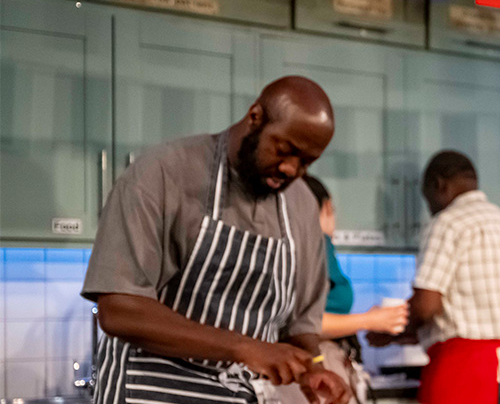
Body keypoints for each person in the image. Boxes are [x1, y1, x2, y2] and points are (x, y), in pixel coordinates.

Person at [82, 76, 350, 404]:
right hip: (147, 394)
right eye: (283, 150)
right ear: (255, 117)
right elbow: (119, 309)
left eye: (306, 162)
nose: (291, 169)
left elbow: (300, 328)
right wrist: (245, 347)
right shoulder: (164, 173)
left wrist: (314, 368)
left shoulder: (301, 204)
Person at [372, 151, 500, 404]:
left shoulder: (447, 223)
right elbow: (476, 313)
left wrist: (390, 329)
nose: (430, 209)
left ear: (439, 185)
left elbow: (427, 306)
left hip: (468, 371)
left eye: (427, 199)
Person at [270, 175, 409, 404]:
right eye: (332, 210)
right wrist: (369, 320)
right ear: (324, 207)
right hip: (315, 366)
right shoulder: (315, 244)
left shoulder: (290, 247)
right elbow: (304, 324)